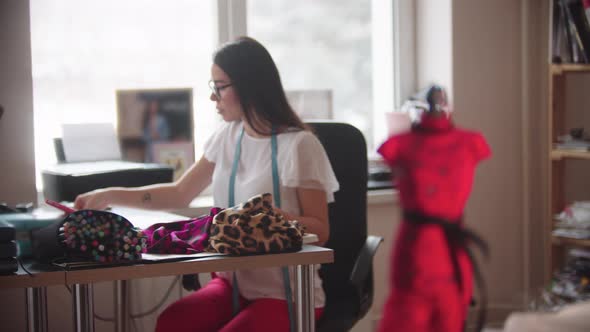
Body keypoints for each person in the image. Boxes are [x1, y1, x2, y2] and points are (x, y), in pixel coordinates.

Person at [74, 36, 339, 332]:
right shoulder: (226, 137)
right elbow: (180, 192)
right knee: (172, 323)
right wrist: (107, 195)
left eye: (219, 86)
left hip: (288, 295)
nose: (213, 98)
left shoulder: (299, 145)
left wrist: (275, 219)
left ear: (249, 85)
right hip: (232, 284)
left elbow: (321, 231)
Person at [377, 85, 491, 332]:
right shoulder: (399, 144)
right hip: (414, 249)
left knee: (451, 317)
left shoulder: (470, 142)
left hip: (451, 248)